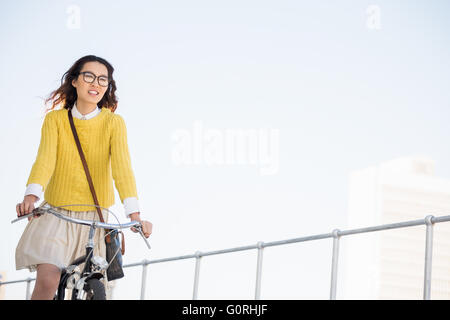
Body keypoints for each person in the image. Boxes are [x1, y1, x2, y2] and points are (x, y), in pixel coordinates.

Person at [15, 55, 153, 300]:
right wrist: (31, 196)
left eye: (103, 80)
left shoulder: (114, 123)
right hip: (58, 214)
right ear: (75, 81)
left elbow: (123, 169)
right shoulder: (55, 120)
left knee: (95, 285)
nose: (96, 83)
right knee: (48, 279)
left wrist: (135, 216)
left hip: (95, 219)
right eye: (89, 76)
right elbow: (45, 159)